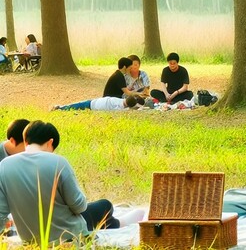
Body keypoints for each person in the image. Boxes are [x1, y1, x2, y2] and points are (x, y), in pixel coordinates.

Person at [0, 121, 144, 244]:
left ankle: (118, 221)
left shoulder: (4, 165)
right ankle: (127, 220)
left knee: (104, 214)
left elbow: (2, 213)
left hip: (30, 239)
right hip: (69, 236)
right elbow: (79, 207)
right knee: (105, 205)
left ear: (25, 140)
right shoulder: (58, 162)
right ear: (50, 142)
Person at [51, 96, 139, 111]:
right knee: (75, 106)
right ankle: (60, 108)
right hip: (92, 105)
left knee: (75, 106)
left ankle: (60, 108)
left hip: (93, 103)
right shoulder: (120, 109)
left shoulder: (118, 100)